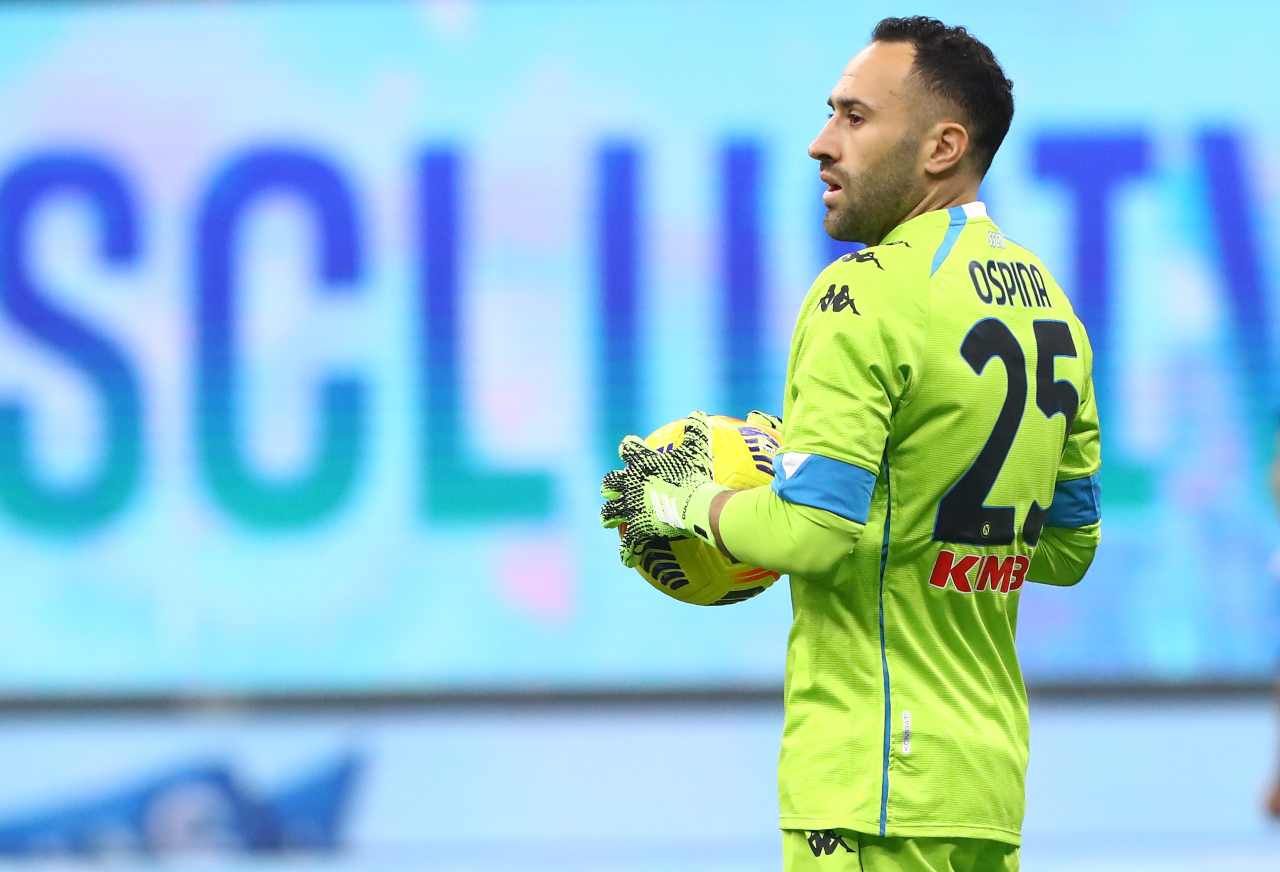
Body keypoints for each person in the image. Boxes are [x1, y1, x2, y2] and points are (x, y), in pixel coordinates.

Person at [600, 16, 1101, 872]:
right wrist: (891, 490)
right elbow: (1066, 548)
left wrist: (684, 502)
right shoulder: (1050, 303)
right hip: (983, 787)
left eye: (855, 118)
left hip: (869, 781)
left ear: (943, 146)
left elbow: (811, 534)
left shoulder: (860, 296)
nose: (820, 144)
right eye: (831, 113)